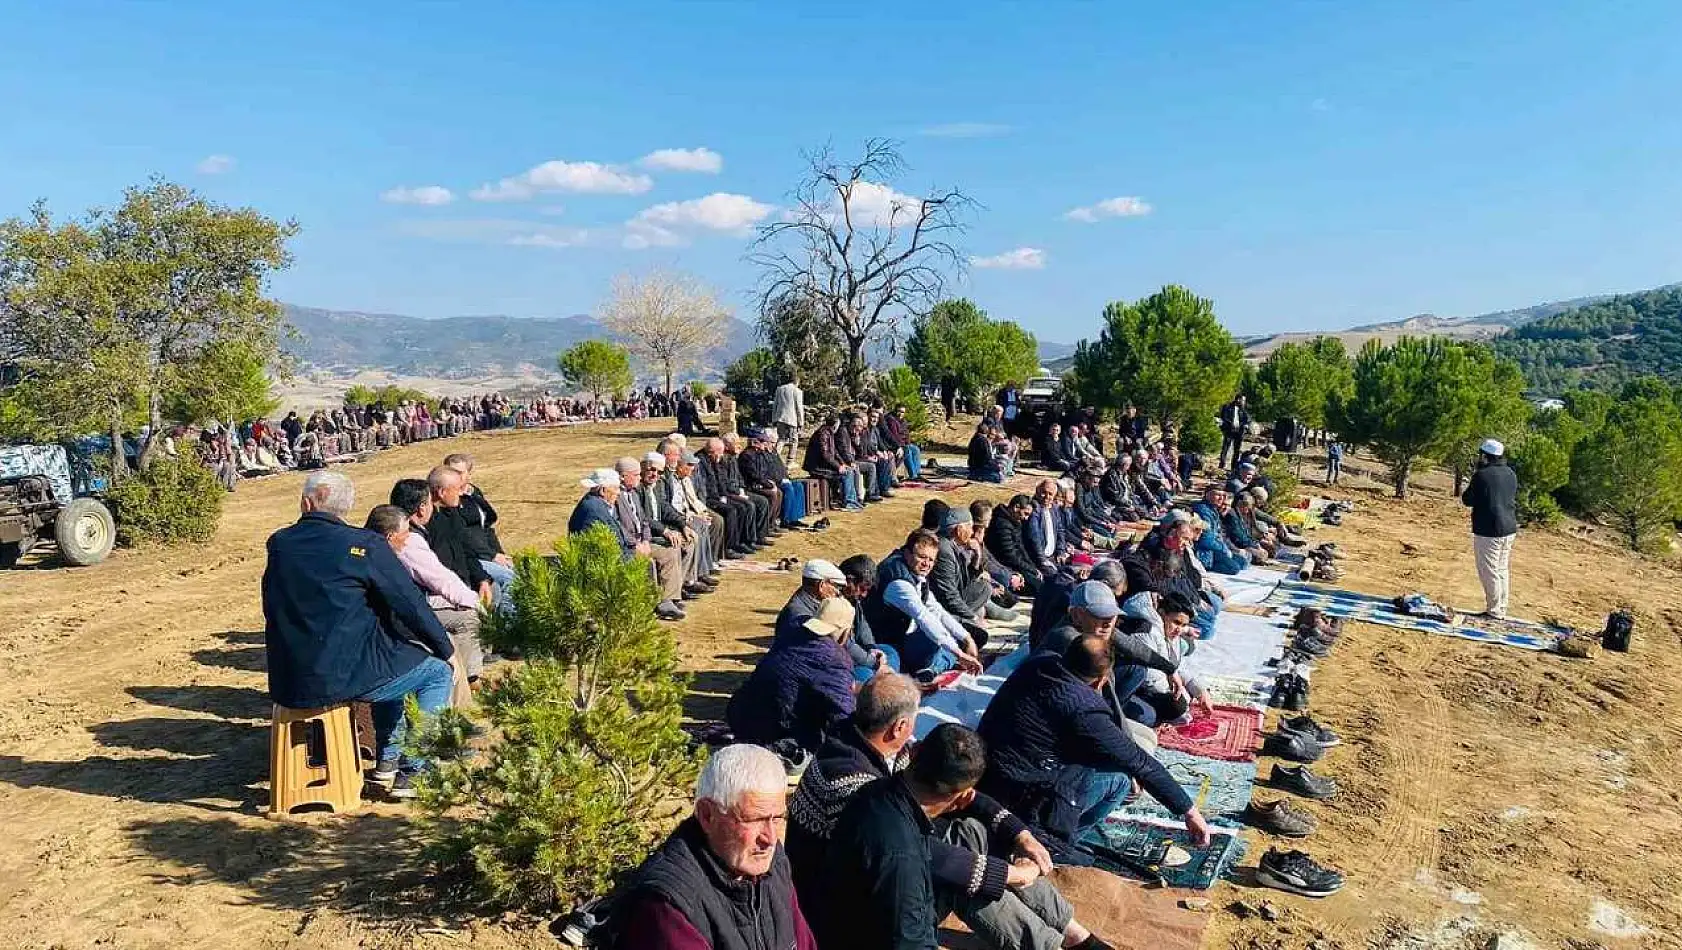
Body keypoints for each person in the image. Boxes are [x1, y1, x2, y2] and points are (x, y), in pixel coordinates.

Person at [791, 678, 1110, 950]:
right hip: (838, 906)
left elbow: (954, 786)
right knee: (962, 880)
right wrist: (1012, 874)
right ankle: (1047, 945)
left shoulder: (872, 744)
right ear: (900, 726)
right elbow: (916, 853)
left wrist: (1018, 832)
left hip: (874, 876)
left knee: (971, 831)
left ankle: (1071, 932)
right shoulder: (855, 787)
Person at [261, 471, 456, 800]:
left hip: (288, 675)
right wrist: (444, 648)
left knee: (395, 659)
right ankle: (415, 769)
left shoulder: (280, 543)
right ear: (346, 508)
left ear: (306, 503)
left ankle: (387, 761)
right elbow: (408, 602)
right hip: (344, 675)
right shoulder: (363, 545)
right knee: (435, 673)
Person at [978, 632, 1212, 851]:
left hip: (989, 774)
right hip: (1021, 793)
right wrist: (1189, 811)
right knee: (1120, 779)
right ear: (1099, 681)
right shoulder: (1082, 707)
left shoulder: (1038, 664)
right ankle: (1059, 843)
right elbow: (1138, 761)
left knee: (1131, 742)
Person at [613, 744, 819, 950]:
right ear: (707, 815)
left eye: (778, 818)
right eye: (754, 819)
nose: (770, 838)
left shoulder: (773, 866)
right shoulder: (670, 905)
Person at [384, 483, 489, 696]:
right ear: (422, 508)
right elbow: (440, 579)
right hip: (408, 610)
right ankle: (471, 678)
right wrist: (475, 602)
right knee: (467, 617)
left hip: (411, 601)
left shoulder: (403, 529)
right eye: (430, 503)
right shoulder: (409, 540)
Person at [726, 597, 858, 753]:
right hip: (777, 734)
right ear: (845, 632)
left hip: (742, 715)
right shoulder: (834, 659)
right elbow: (844, 714)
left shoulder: (792, 633)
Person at [862, 529, 984, 677]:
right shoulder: (898, 581)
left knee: (970, 636)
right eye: (922, 557)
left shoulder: (916, 574)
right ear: (907, 553)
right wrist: (959, 654)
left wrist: (967, 638)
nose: (927, 564)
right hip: (884, 641)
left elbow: (936, 610)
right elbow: (923, 616)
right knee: (931, 639)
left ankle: (931, 669)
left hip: (903, 636)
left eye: (931, 560)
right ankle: (932, 667)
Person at [613, 458, 689, 621]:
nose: (640, 478)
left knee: (669, 553)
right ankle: (655, 602)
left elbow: (644, 521)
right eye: (636, 475)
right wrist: (636, 544)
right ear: (623, 476)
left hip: (643, 541)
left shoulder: (632, 493)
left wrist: (646, 541)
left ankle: (668, 599)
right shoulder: (616, 496)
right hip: (629, 545)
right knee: (653, 560)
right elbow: (617, 525)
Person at [441, 453, 515, 601]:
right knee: (510, 579)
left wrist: (499, 553)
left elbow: (487, 526)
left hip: (486, 552)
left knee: (513, 571)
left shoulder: (473, 493)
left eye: (460, 473)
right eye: (451, 472)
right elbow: (463, 536)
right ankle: (505, 623)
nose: (456, 477)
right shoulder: (449, 500)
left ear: (469, 474)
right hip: (470, 557)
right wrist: (492, 556)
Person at [639, 453, 712, 600]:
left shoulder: (657, 485)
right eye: (651, 470)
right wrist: (665, 531)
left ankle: (682, 584)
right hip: (648, 534)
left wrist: (682, 524)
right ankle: (670, 596)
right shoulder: (638, 489)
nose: (655, 475)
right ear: (643, 468)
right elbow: (643, 518)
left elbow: (665, 508)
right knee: (673, 548)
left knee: (690, 539)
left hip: (659, 529)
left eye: (659, 472)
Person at [1462, 438, 1518, 619]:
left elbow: (1467, 499)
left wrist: (1476, 477)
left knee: (1489, 570)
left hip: (1489, 529)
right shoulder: (1511, 473)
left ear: (1485, 456)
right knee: (1501, 569)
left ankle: (1494, 611)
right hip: (1509, 527)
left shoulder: (1482, 475)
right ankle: (1501, 607)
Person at [838, 553, 897, 680]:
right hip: (841, 659)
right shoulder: (832, 603)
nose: (864, 595)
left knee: (889, 651)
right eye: (862, 589)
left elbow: (862, 624)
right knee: (866, 674)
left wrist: (871, 647)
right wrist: (873, 662)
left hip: (858, 651)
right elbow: (845, 644)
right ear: (849, 581)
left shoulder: (852, 598)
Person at [985, 494, 1046, 595]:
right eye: (1025, 513)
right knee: (1038, 588)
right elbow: (1010, 555)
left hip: (1016, 563)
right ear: (1016, 507)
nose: (1026, 518)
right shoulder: (1002, 524)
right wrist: (1030, 569)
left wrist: (1033, 567)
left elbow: (1021, 548)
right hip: (1003, 564)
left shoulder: (1014, 521)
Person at [804, 414, 863, 509]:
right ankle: (849, 502)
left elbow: (835, 452)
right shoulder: (823, 434)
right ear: (835, 425)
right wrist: (838, 467)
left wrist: (842, 463)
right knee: (847, 473)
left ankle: (853, 500)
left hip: (824, 465)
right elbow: (825, 455)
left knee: (850, 470)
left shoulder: (829, 433)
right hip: (817, 467)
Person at [773, 373, 806, 466]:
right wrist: (801, 422)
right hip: (792, 419)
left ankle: (775, 458)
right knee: (794, 441)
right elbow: (799, 408)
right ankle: (790, 461)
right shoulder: (797, 391)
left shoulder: (779, 389)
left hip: (780, 418)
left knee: (781, 439)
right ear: (797, 381)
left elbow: (775, 405)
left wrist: (774, 419)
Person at [1218, 395, 1250, 470]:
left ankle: (1234, 466)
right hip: (1229, 430)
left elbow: (1247, 419)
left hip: (1239, 431)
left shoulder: (1242, 409)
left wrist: (1244, 425)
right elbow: (1224, 417)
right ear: (1238, 399)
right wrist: (1230, 424)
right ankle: (1222, 464)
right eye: (1243, 400)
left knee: (1237, 450)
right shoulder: (1227, 407)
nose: (1244, 402)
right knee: (1225, 448)